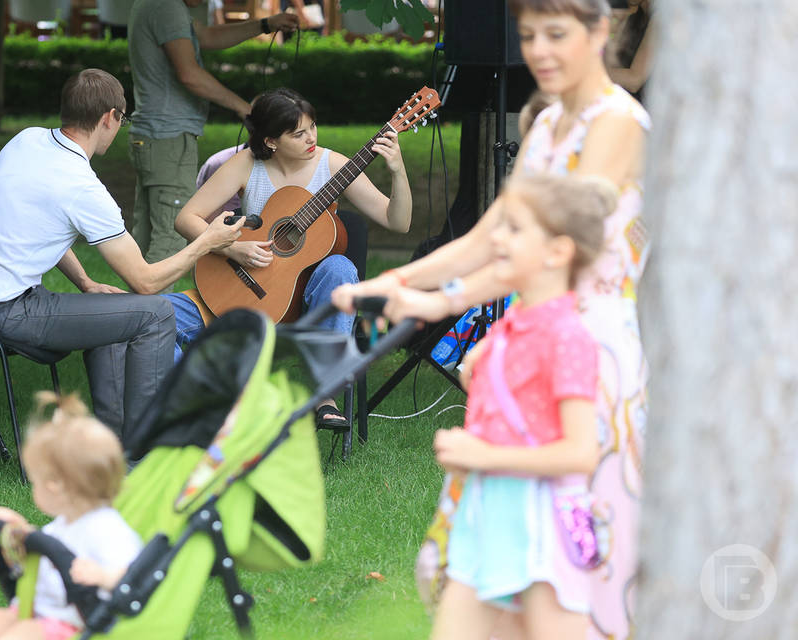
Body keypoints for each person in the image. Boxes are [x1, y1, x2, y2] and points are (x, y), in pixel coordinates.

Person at [332, 1, 650, 637]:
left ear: (600, 32)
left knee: (571, 573)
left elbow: (541, 249)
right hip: (528, 338)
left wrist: (433, 299)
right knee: (493, 563)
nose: (539, 51)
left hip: (586, 351)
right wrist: (393, 281)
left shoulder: (620, 123)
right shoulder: (545, 123)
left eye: (557, 34)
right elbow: (491, 234)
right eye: (529, 36)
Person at [0, 68, 243, 448]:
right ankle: (144, 449)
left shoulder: (28, 140)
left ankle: (113, 444)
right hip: (3, 312)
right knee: (156, 313)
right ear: (109, 118)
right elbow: (146, 282)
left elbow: (36, 227)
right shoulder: (82, 187)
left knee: (115, 310)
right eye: (123, 118)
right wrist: (209, 241)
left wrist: (86, 284)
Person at [430, 173, 614, 640]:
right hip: (485, 519)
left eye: (515, 230)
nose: (498, 239)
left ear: (557, 253)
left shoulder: (568, 336)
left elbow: (579, 454)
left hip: (544, 533)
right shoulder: (511, 327)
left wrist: (484, 457)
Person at [172, 87, 413, 429]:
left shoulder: (332, 165)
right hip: (246, 289)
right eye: (298, 133)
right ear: (271, 141)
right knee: (155, 317)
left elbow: (398, 222)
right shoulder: (246, 165)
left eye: (312, 127)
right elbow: (186, 218)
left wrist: (397, 171)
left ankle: (322, 394)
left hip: (310, 304)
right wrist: (231, 248)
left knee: (340, 267)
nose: (310, 138)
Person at [0, 392, 143, 640]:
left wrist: (104, 577)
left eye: (35, 482)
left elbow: (136, 577)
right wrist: (16, 530)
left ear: (54, 487)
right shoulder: (68, 521)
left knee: (23, 633)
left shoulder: (108, 530)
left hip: (73, 624)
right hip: (37, 611)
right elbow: (45, 550)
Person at [127, 0, 299, 276]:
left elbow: (206, 36)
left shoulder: (157, 5)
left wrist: (266, 24)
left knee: (146, 238)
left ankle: (133, 315)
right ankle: (153, 317)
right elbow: (189, 73)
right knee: (169, 243)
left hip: (153, 137)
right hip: (168, 138)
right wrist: (244, 108)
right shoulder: (166, 7)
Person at [606, 0, 654, 98]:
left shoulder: (660, 21)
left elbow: (634, 80)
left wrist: (591, 72)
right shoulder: (634, 16)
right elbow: (614, 61)